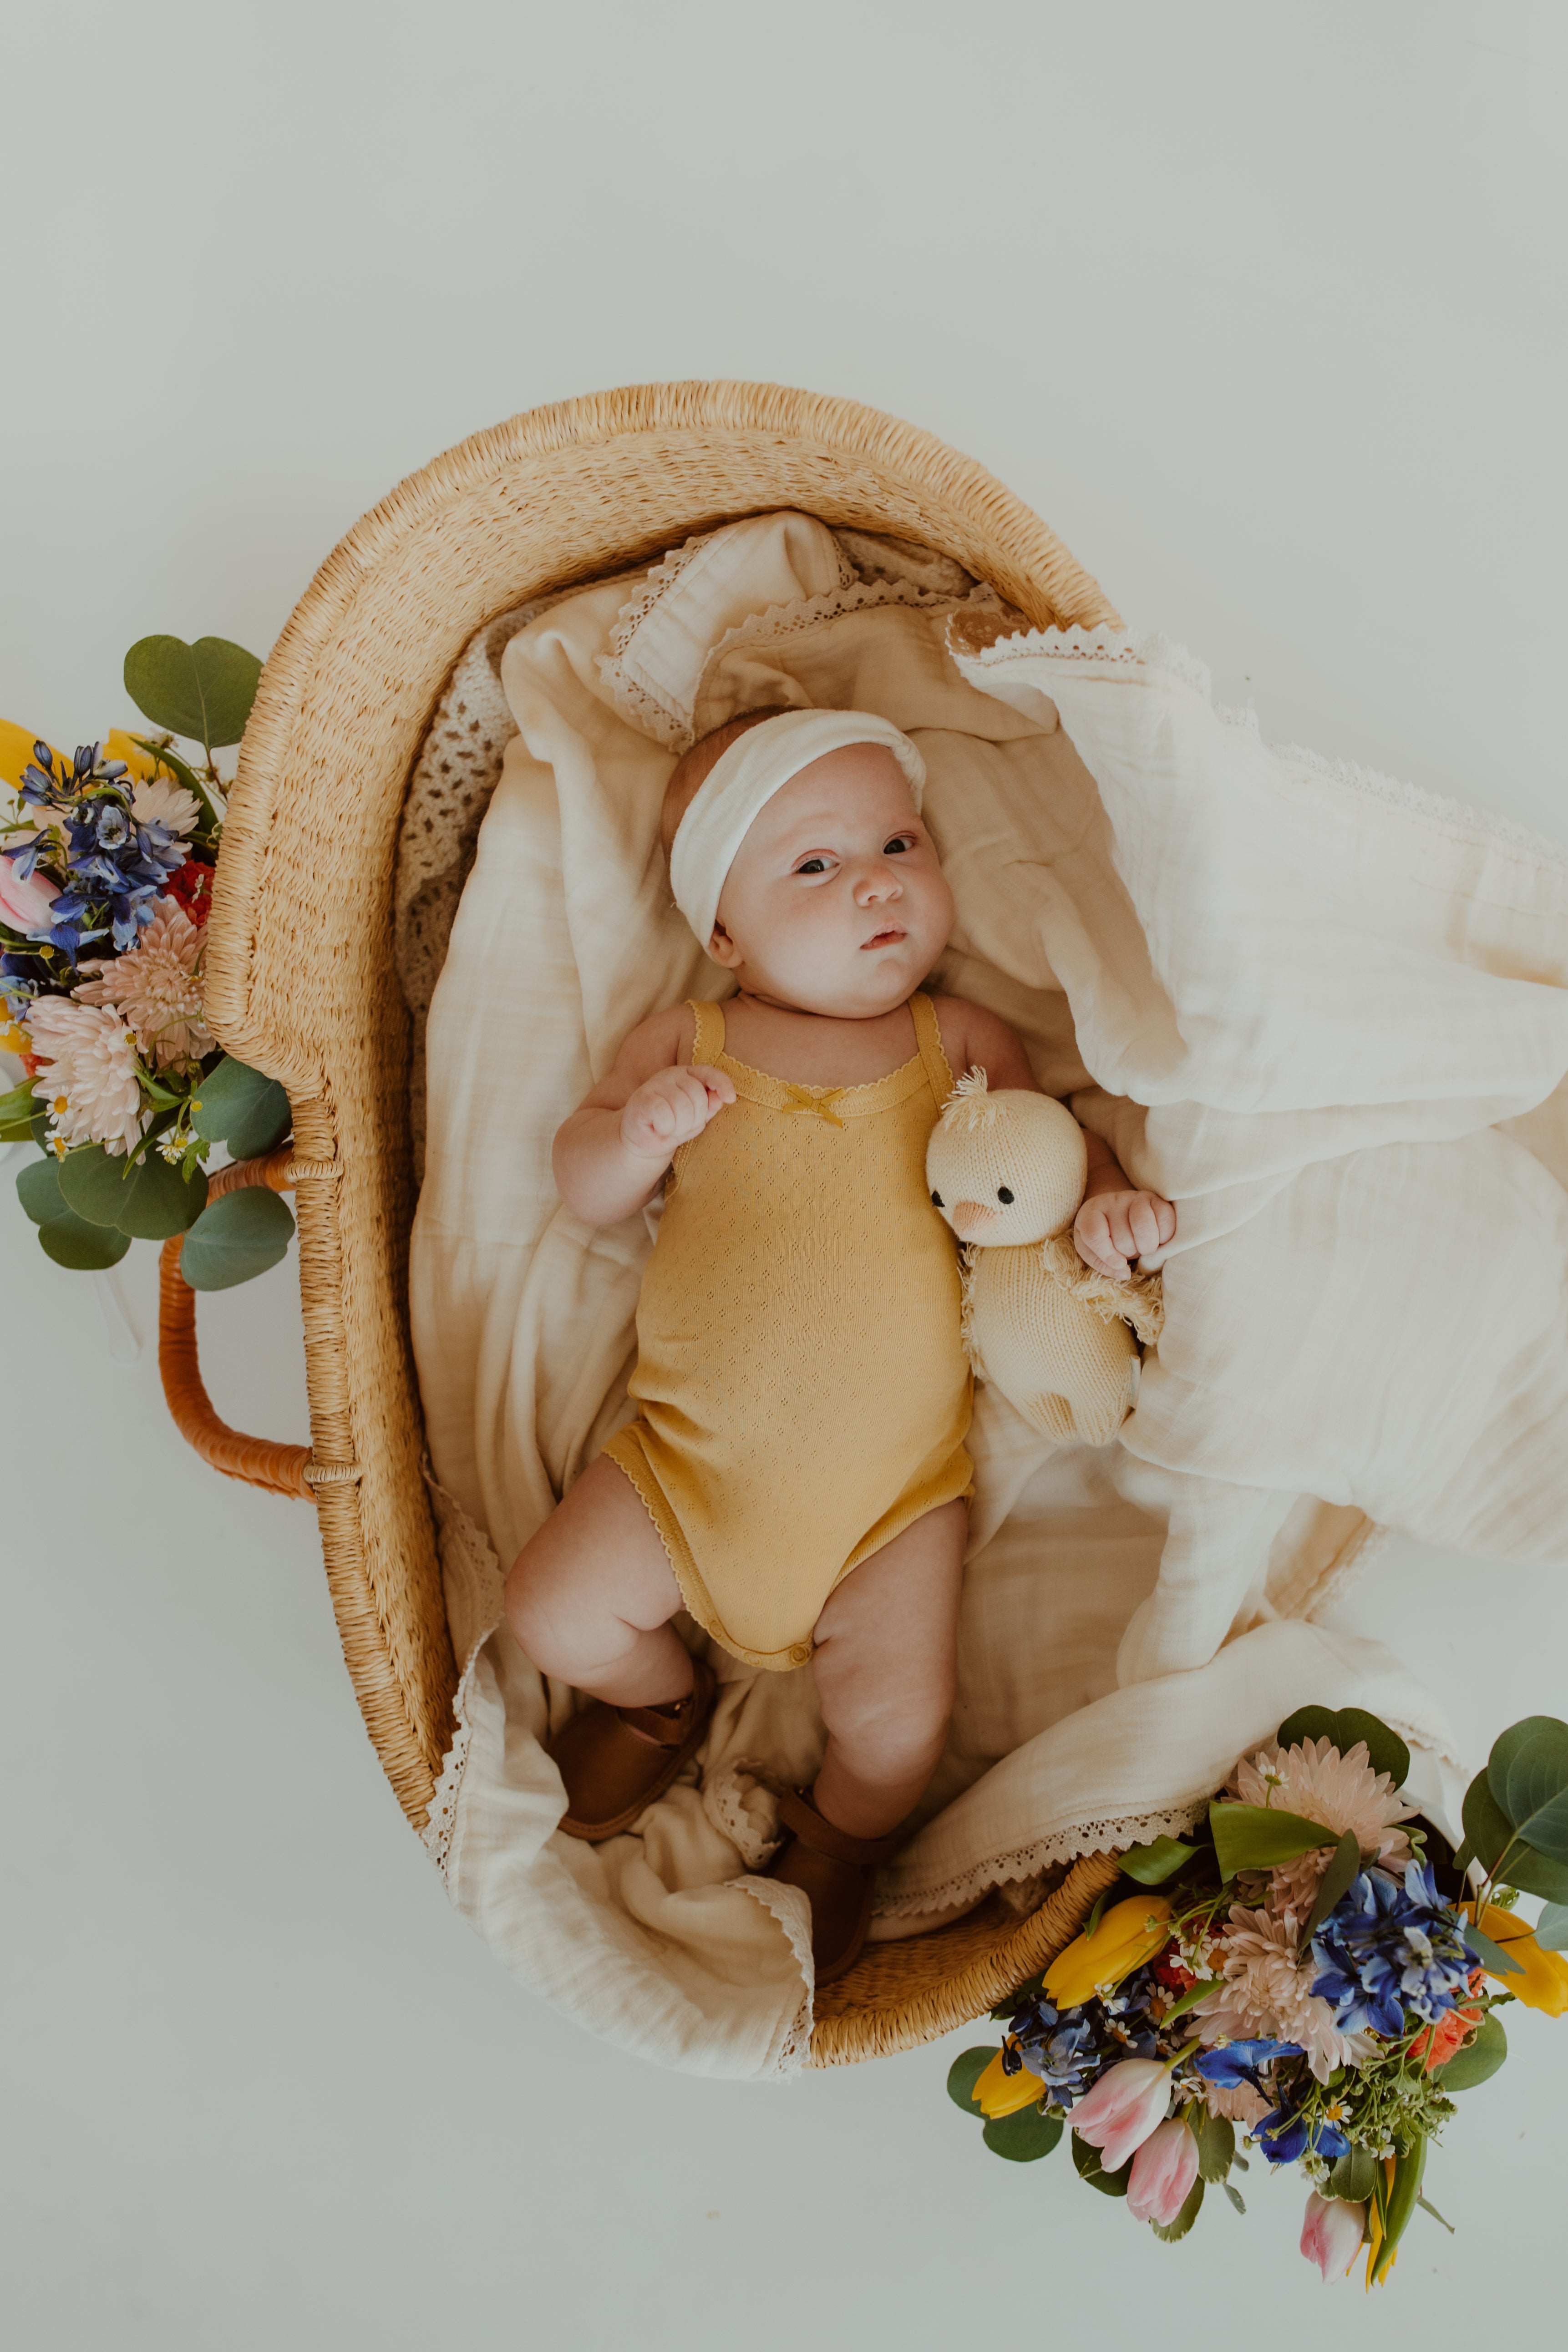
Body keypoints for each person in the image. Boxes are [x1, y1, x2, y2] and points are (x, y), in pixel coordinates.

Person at [505, 706, 1175, 1979]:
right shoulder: (687, 1047)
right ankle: (655, 1698)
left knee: (897, 1731)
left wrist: (1104, 1203)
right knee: (551, 1610)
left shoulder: (958, 1044)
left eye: (898, 842)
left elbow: (1034, 1163)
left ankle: (845, 1844)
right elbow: (583, 1185)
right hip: (683, 1468)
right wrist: (639, 1133)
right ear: (722, 931)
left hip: (894, 1502)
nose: (877, 880)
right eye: (813, 865)